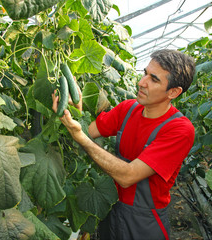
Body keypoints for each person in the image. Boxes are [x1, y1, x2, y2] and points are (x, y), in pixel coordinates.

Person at [52, 49, 196, 240]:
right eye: (145, 73)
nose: (141, 82)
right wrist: (74, 109)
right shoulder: (128, 108)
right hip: (111, 209)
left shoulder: (179, 129)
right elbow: (90, 131)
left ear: (174, 92)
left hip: (143, 221)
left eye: (154, 79)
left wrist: (80, 137)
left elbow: (129, 176)